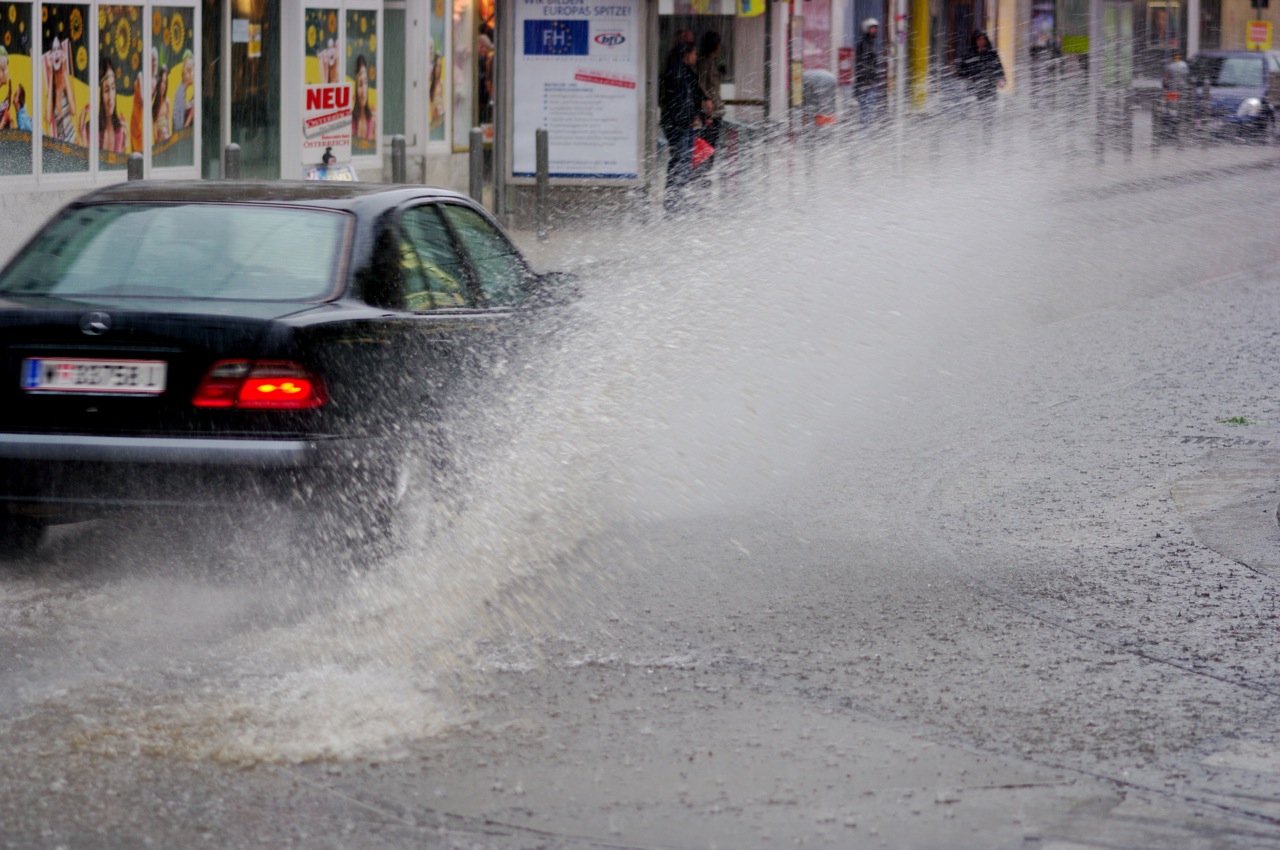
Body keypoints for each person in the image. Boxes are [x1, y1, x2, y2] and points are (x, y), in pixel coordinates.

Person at [660, 41, 703, 213]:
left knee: (682, 162)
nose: (695, 57)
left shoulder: (684, 72)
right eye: (694, 53)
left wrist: (696, 115)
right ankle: (673, 201)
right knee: (680, 161)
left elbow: (690, 97)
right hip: (679, 125)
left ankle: (676, 199)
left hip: (682, 123)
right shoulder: (677, 73)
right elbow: (679, 101)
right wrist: (688, 119)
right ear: (687, 54)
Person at [957, 30, 1005, 132]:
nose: (981, 41)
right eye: (979, 39)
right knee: (972, 119)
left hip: (989, 90)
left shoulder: (992, 54)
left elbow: (999, 68)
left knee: (987, 118)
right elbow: (962, 70)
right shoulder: (969, 54)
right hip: (973, 91)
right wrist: (964, 76)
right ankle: (972, 140)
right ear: (975, 40)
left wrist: (1001, 80)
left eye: (983, 39)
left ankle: (987, 142)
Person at [696, 32, 724, 171]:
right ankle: (702, 178)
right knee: (705, 149)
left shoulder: (713, 62)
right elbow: (701, 86)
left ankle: (705, 177)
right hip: (709, 114)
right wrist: (706, 113)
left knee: (710, 150)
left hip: (715, 113)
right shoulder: (704, 63)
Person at [854, 18, 887, 129]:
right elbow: (862, 64)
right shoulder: (863, 45)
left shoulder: (871, 44)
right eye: (872, 28)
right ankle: (864, 134)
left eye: (875, 29)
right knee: (865, 110)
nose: (875, 31)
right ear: (866, 29)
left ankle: (867, 131)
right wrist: (867, 78)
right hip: (865, 84)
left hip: (870, 83)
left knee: (869, 109)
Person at [98, 56, 128, 154]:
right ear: (100, 94)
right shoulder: (92, 130)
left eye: (113, 88)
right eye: (106, 90)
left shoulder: (121, 129)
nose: (111, 97)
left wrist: (124, 148)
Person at [352, 54, 375, 141]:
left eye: (366, 82)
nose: (364, 90)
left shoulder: (372, 119)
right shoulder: (351, 120)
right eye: (360, 84)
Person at [171, 50, 195, 130]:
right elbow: (179, 127)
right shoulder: (180, 92)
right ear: (187, 73)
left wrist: (189, 105)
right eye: (192, 71)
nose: (194, 75)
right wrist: (191, 115)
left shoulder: (182, 90)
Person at [152, 63, 171, 144]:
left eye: (165, 82)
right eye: (162, 82)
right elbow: (155, 137)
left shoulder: (167, 102)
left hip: (167, 142)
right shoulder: (154, 106)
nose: (163, 86)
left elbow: (169, 128)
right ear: (159, 82)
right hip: (159, 144)